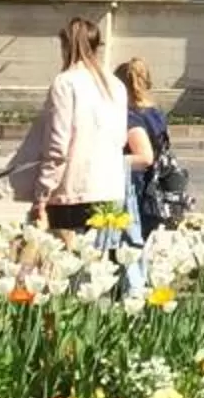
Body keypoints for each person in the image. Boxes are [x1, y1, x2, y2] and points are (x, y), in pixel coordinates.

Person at [24, 15, 130, 235]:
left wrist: (42, 194)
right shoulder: (116, 85)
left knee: (66, 262)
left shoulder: (65, 82)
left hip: (72, 192)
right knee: (102, 265)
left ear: (65, 45)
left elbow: (57, 146)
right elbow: (120, 138)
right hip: (109, 188)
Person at [117, 56, 178, 242]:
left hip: (138, 187)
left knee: (131, 241)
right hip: (156, 186)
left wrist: (109, 161)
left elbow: (144, 157)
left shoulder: (132, 116)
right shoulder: (156, 112)